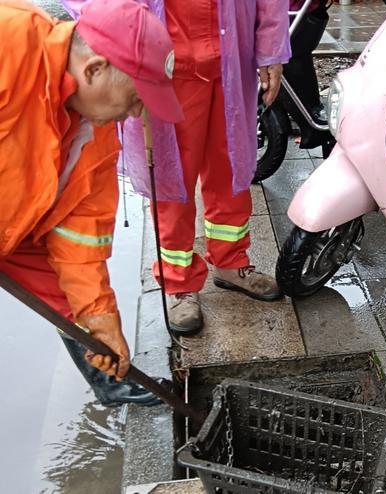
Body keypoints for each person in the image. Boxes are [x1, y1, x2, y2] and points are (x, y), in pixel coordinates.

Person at [0, 0, 183, 406]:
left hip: (14, 223)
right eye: (136, 97)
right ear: (95, 68)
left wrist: (99, 315)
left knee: (75, 304)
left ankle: (111, 384)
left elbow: (79, 236)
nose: (137, 112)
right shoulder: (10, 43)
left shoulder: (96, 134)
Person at [153, 0, 293, 334]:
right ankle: (178, 281)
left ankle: (230, 262)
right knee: (173, 180)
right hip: (170, 66)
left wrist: (271, 50)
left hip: (232, 60)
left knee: (232, 169)